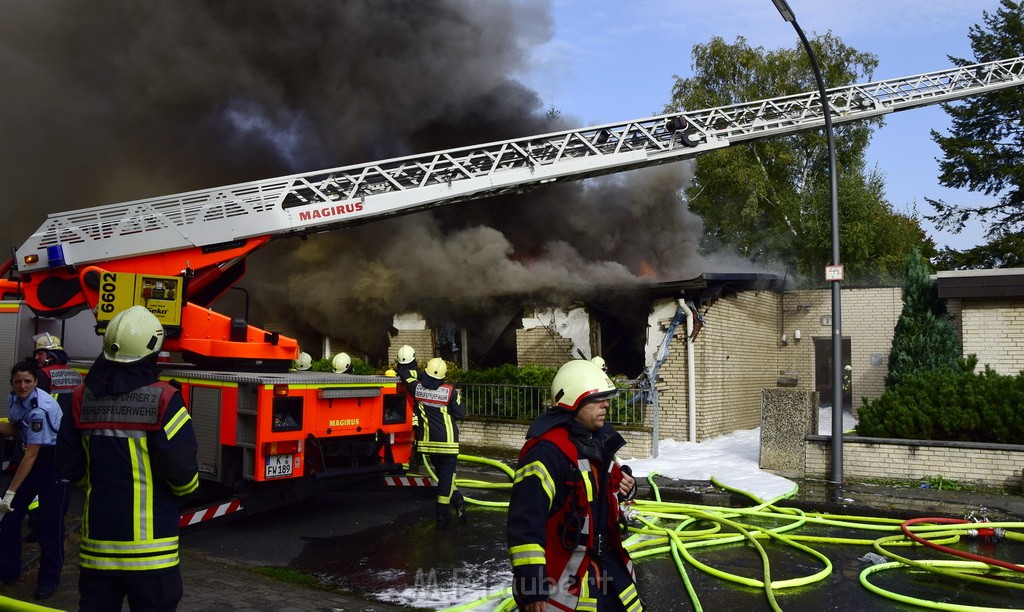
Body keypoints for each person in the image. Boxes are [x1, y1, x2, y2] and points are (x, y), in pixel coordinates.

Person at [56, 305, 199, 612]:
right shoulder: (163, 399)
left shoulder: (81, 397)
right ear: (152, 348)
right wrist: (180, 495)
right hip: (152, 552)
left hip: (98, 549)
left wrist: (94, 484)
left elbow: (69, 463)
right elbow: (182, 472)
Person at [506, 359, 643, 611]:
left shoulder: (595, 440)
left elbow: (606, 487)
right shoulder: (546, 452)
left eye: (606, 398)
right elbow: (525, 524)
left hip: (608, 565)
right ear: (572, 401)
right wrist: (532, 588)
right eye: (597, 399)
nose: (606, 405)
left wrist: (627, 485)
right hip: (566, 576)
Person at [0, 360, 70, 600]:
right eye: (18, 381)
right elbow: (16, 428)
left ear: (36, 382)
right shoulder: (15, 399)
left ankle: (48, 581)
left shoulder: (41, 408)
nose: (22, 385)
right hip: (32, 461)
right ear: (12, 382)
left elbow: (31, 454)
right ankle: (8, 572)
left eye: (27, 381)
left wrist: (10, 492)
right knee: (9, 518)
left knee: (50, 527)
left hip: (52, 466)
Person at [406, 357, 466, 528]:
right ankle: (442, 516)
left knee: (443, 477)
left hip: (429, 443)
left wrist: (412, 370)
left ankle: (459, 502)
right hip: (448, 443)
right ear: (443, 376)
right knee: (447, 478)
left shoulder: (417, 389)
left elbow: (406, 376)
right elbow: (460, 414)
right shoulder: (451, 392)